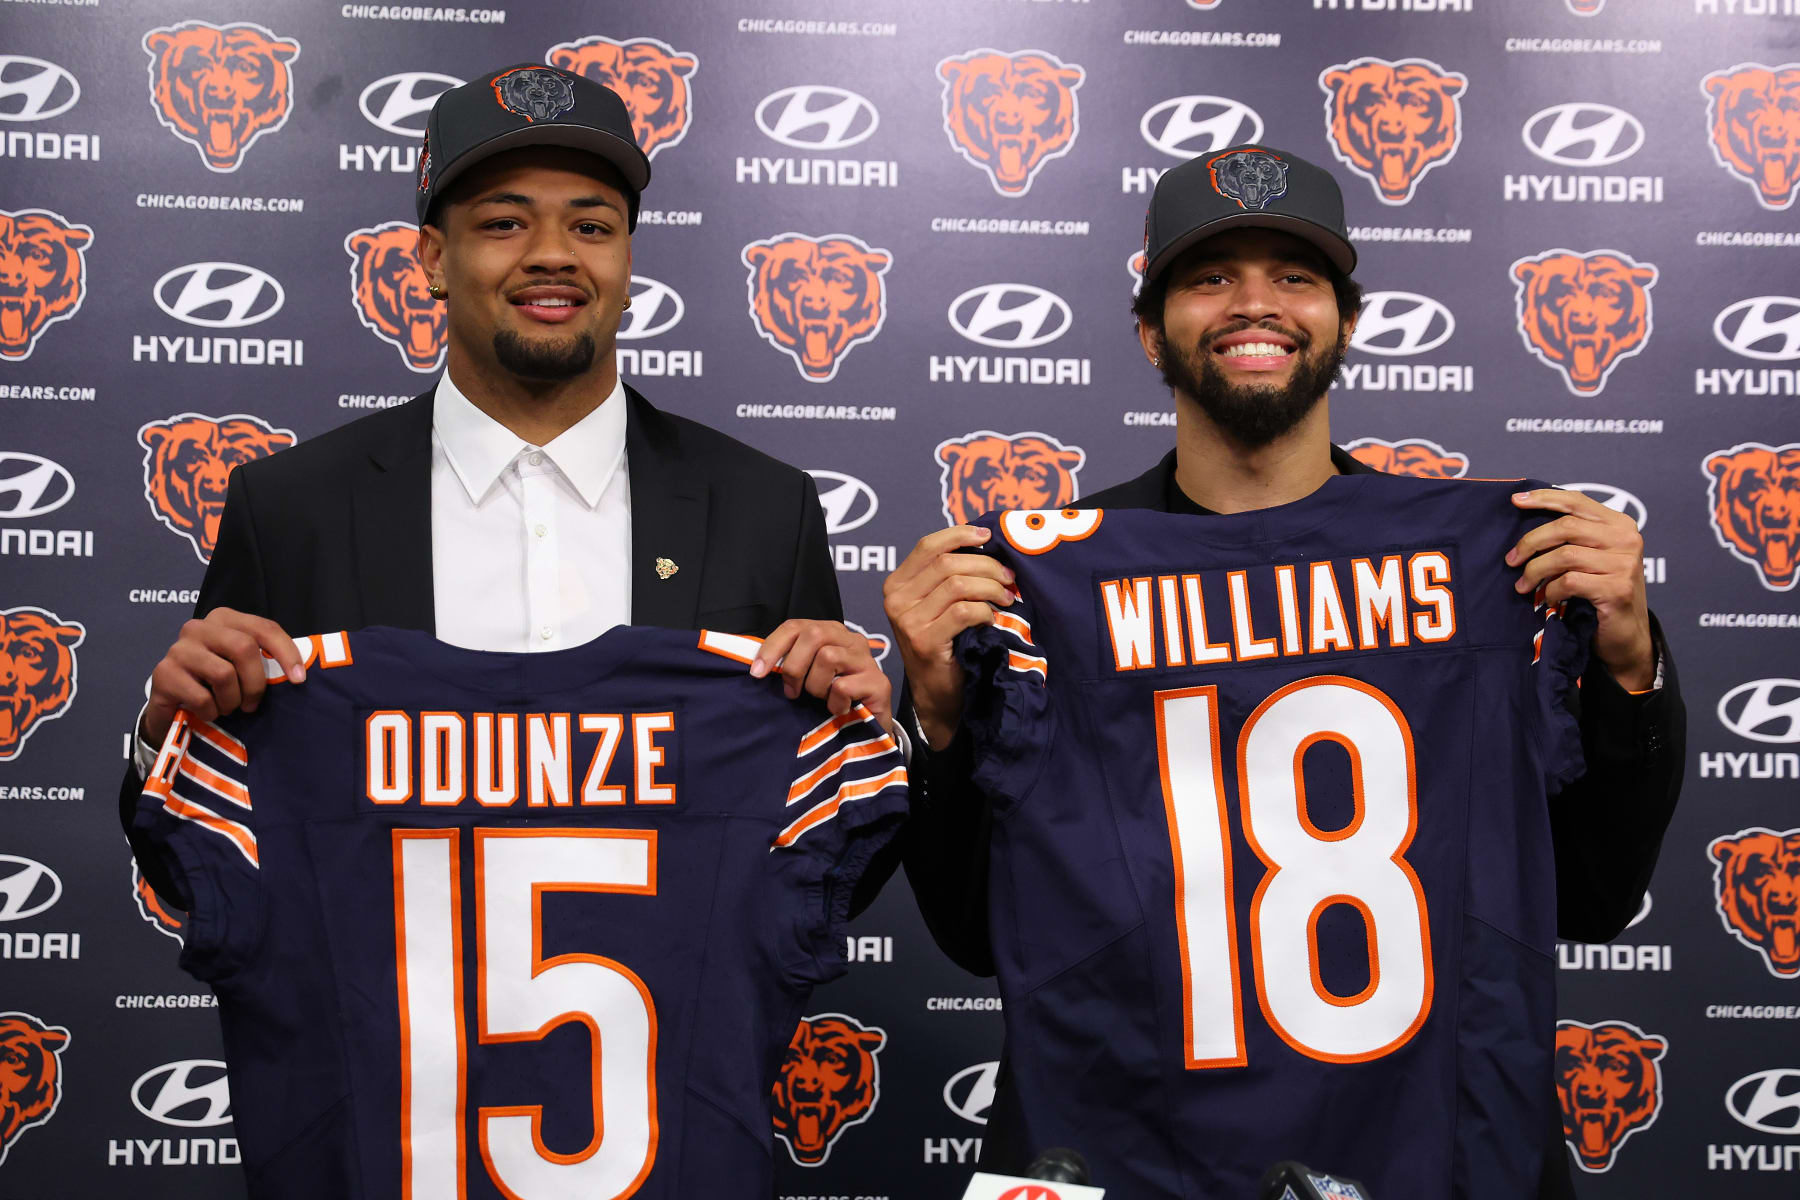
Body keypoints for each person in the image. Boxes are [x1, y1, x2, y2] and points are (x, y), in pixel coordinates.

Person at [882, 144, 1684, 1199]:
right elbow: (974, 933)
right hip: (1127, 1151)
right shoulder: (1033, 590)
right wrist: (938, 717)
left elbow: (1592, 897)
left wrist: (1626, 659)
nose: (1254, 303)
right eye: (1211, 277)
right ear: (1150, 331)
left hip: (1426, 1152)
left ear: (1345, 322)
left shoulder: (1496, 562)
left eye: (1295, 276)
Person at [121, 65, 890, 897]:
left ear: (627, 259)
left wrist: (868, 740)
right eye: (504, 223)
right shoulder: (289, 508)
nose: (554, 255)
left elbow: (829, 878)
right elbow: (196, 874)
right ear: (433, 257)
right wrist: (166, 738)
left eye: (592, 226)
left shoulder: (765, 508)